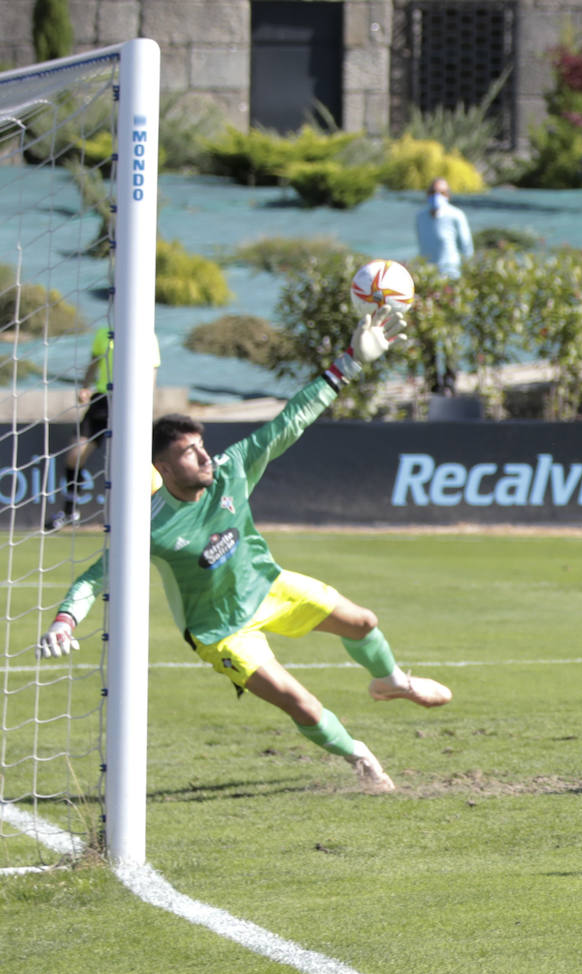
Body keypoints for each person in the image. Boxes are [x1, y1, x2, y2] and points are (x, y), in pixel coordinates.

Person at [36, 307, 450, 793]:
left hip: (269, 585)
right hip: (221, 632)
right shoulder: (148, 523)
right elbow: (95, 576)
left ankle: (392, 682)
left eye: (202, 445)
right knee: (301, 703)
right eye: (189, 452)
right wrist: (66, 617)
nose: (205, 455)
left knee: (364, 621)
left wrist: (349, 364)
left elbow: (289, 422)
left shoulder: (230, 470)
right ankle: (359, 756)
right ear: (163, 468)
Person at [46, 326, 161, 532]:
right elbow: (94, 361)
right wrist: (85, 386)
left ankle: (147, 514)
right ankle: (69, 511)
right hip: (101, 400)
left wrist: (146, 402)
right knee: (75, 454)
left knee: (136, 460)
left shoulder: (145, 332)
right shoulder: (103, 332)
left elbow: (152, 370)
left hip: (131, 400)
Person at [414, 177, 474, 279]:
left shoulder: (456, 215)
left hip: (450, 271)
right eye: (433, 192)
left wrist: (468, 269)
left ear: (448, 195)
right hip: (428, 272)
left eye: (442, 193)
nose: (436, 196)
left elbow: (466, 244)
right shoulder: (421, 216)